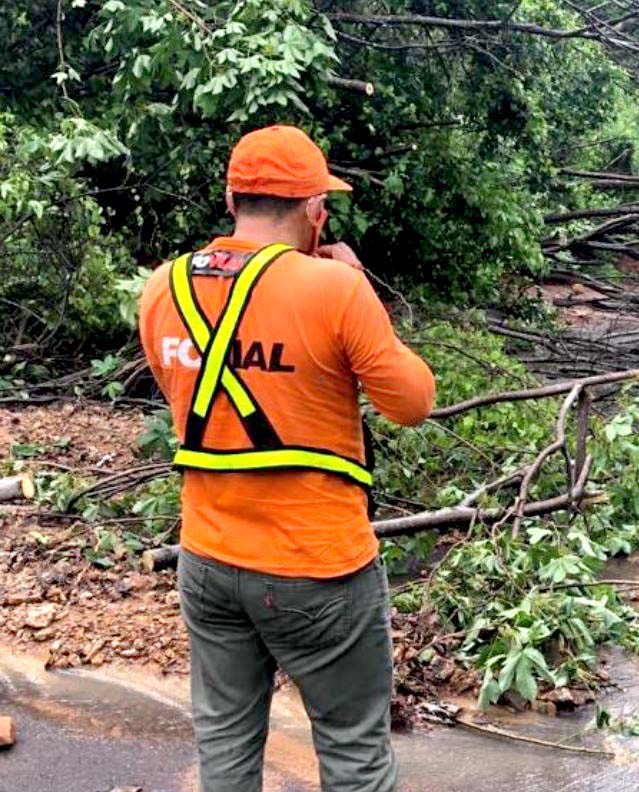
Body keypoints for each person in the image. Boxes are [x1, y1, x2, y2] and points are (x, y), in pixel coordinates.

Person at [138, 125, 436, 792]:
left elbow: (187, 399)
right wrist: (362, 291)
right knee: (354, 754)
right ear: (313, 209)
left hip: (208, 560)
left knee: (225, 750)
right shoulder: (333, 289)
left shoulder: (163, 287)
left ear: (230, 198)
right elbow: (412, 402)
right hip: (318, 567)